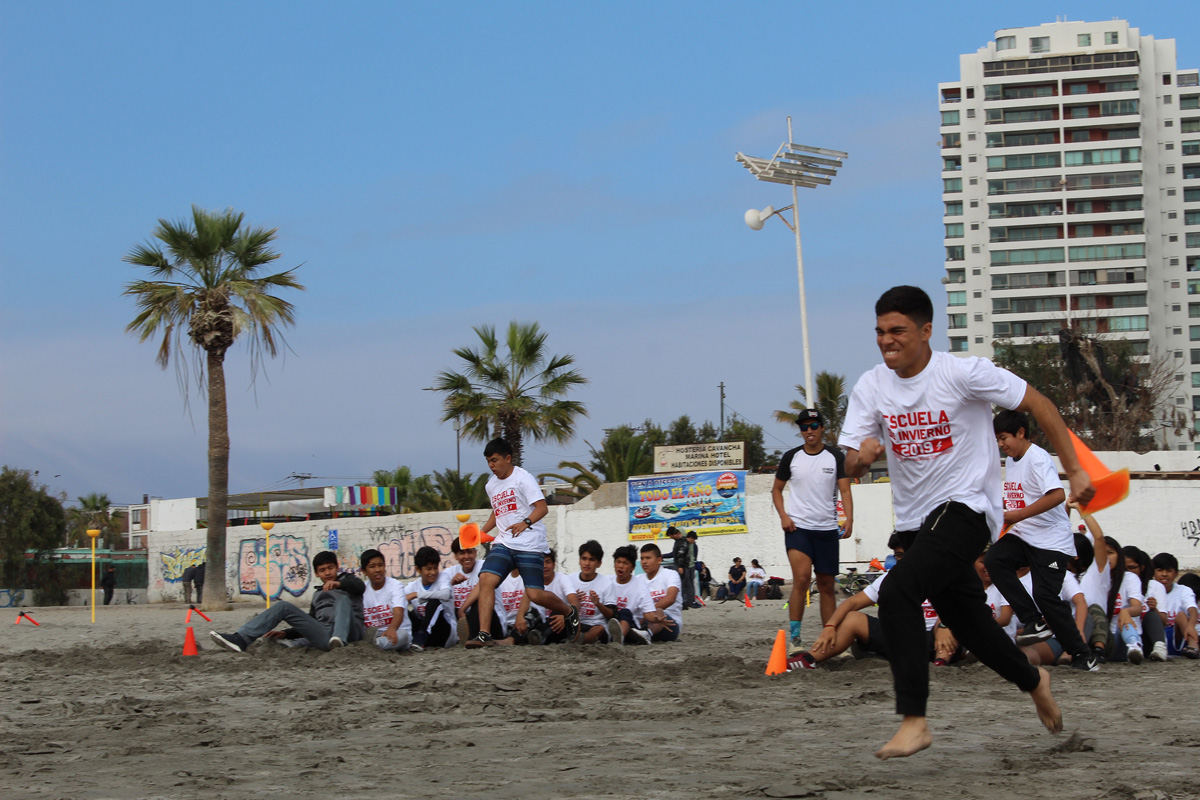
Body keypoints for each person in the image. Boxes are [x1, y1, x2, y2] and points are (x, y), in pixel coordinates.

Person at [839, 285, 1091, 759]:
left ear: (926, 331)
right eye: (880, 331)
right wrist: (861, 458)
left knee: (898, 591)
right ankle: (1033, 679)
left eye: (897, 331)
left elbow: (1040, 404)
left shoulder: (962, 372)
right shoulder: (871, 386)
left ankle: (914, 720)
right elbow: (851, 461)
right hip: (916, 522)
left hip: (968, 509)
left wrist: (1074, 470)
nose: (886, 340)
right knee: (971, 626)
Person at [985, 410, 1096, 670]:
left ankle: (1083, 654)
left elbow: (1057, 495)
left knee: (1046, 596)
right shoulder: (1012, 461)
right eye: (997, 440)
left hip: (1051, 541)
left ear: (1021, 433)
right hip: (1024, 534)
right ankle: (1033, 621)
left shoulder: (1038, 458)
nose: (1000, 445)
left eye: (1003, 438)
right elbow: (1019, 499)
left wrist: (1017, 515)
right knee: (994, 560)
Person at [468, 438, 579, 647]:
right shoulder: (491, 485)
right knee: (485, 579)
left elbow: (542, 508)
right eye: (488, 461)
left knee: (535, 595)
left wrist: (525, 522)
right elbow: (497, 512)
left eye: (494, 460)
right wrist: (481, 532)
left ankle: (569, 612)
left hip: (530, 544)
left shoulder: (523, 478)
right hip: (504, 543)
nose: (491, 465)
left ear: (508, 458)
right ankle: (484, 634)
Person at [773, 407, 854, 652]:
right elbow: (776, 490)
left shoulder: (835, 456)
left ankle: (829, 639)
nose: (809, 430)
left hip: (827, 530)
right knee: (801, 579)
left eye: (813, 426)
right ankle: (796, 639)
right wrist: (784, 516)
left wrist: (849, 518)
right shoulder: (791, 457)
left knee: (827, 585)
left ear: (822, 428)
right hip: (799, 529)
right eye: (804, 427)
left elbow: (845, 490)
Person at [210, 551, 365, 652]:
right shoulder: (318, 594)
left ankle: (339, 639)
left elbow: (359, 587)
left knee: (342, 598)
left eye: (330, 568)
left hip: (350, 632)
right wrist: (287, 633)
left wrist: (339, 584)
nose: (328, 573)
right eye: (322, 570)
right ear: (317, 573)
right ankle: (241, 638)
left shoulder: (348, 581)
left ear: (337, 567)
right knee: (283, 606)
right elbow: (311, 620)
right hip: (326, 637)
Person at [404, 546, 457, 650]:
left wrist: (417, 595)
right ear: (418, 569)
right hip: (426, 637)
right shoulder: (412, 586)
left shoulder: (443, 577)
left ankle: (421, 637)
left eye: (435, 568)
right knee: (403, 610)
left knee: (434, 602)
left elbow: (445, 594)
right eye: (428, 569)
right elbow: (397, 601)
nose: (433, 572)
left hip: (444, 633)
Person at [568, 540, 621, 644]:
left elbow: (612, 615)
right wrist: (574, 601)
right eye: (584, 559)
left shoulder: (606, 583)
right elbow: (561, 606)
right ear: (579, 561)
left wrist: (598, 604)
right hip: (575, 623)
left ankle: (580, 640)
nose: (587, 563)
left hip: (596, 626)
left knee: (599, 629)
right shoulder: (569, 580)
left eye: (592, 560)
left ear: (599, 564)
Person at [1150, 552, 1200, 658]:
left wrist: (1191, 626)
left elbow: (1192, 609)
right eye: (1159, 570)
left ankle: (1193, 646)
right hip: (1155, 636)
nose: (1164, 574)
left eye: (1169, 571)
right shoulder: (1147, 590)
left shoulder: (1183, 590)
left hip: (1178, 636)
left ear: (1176, 573)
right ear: (1153, 572)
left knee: (1181, 615)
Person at [360, 548, 411, 651]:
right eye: (372, 566)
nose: (378, 570)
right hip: (374, 633)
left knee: (403, 635)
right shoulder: (362, 590)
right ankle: (373, 643)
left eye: (380, 565)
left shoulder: (395, 586)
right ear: (364, 571)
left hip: (396, 631)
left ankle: (376, 644)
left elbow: (398, 613)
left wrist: (391, 629)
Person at [523, 550, 576, 646]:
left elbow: (575, 602)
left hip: (558, 624)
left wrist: (565, 616)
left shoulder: (563, 579)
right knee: (530, 612)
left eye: (548, 562)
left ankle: (539, 637)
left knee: (557, 612)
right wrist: (519, 617)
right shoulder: (533, 582)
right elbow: (524, 604)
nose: (544, 566)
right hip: (539, 623)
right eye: (541, 562)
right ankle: (514, 638)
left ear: (554, 564)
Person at [611, 545, 654, 645]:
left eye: (625, 563)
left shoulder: (640, 585)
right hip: (612, 622)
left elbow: (648, 612)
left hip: (631, 624)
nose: (620, 566)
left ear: (632, 567)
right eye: (618, 562)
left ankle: (618, 640)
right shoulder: (607, 582)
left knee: (625, 612)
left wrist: (656, 619)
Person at [640, 543, 682, 641]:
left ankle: (647, 634)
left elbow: (670, 599)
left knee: (658, 611)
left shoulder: (671, 575)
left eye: (648, 558)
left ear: (659, 560)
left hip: (669, 623)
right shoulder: (638, 579)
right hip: (645, 620)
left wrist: (648, 613)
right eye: (642, 558)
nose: (644, 562)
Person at [667, 527, 696, 610]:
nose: (670, 537)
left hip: (681, 566)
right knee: (684, 584)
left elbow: (681, 555)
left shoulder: (682, 542)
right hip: (683, 565)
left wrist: (680, 566)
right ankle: (686, 602)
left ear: (675, 534)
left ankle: (685, 602)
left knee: (682, 584)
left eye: (671, 535)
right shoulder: (680, 542)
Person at [686, 531, 702, 604]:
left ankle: (691, 600)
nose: (694, 541)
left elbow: (694, 557)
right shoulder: (688, 544)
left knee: (690, 584)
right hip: (690, 565)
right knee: (691, 584)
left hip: (690, 566)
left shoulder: (693, 545)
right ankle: (691, 600)